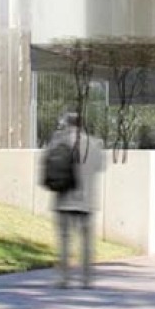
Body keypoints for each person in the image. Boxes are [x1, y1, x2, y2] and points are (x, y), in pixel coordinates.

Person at [43, 112, 100, 288]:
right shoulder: (94, 144)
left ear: (67, 123)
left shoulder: (59, 142)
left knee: (65, 241)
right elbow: (100, 166)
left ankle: (64, 279)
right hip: (86, 200)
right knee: (87, 243)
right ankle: (87, 279)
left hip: (64, 199)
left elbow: (47, 162)